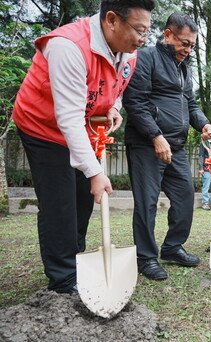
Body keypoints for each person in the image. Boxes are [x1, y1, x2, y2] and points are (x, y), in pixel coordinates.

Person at [11, 0, 155, 294]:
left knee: (81, 199)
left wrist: (113, 107)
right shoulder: (68, 46)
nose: (142, 39)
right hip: (43, 126)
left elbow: (116, 87)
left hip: (84, 126)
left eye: (146, 32)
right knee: (60, 202)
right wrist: (94, 171)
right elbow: (67, 118)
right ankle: (63, 280)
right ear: (112, 20)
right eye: (138, 30)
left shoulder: (129, 53)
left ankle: (76, 260)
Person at [123, 13, 211, 280]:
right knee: (147, 203)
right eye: (184, 43)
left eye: (192, 46)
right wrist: (155, 135)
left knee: (186, 196)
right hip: (146, 145)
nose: (188, 51)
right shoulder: (146, 58)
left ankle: (173, 247)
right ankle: (146, 258)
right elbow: (135, 102)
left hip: (174, 146)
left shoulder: (183, 69)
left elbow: (191, 104)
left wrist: (204, 125)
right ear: (167, 35)